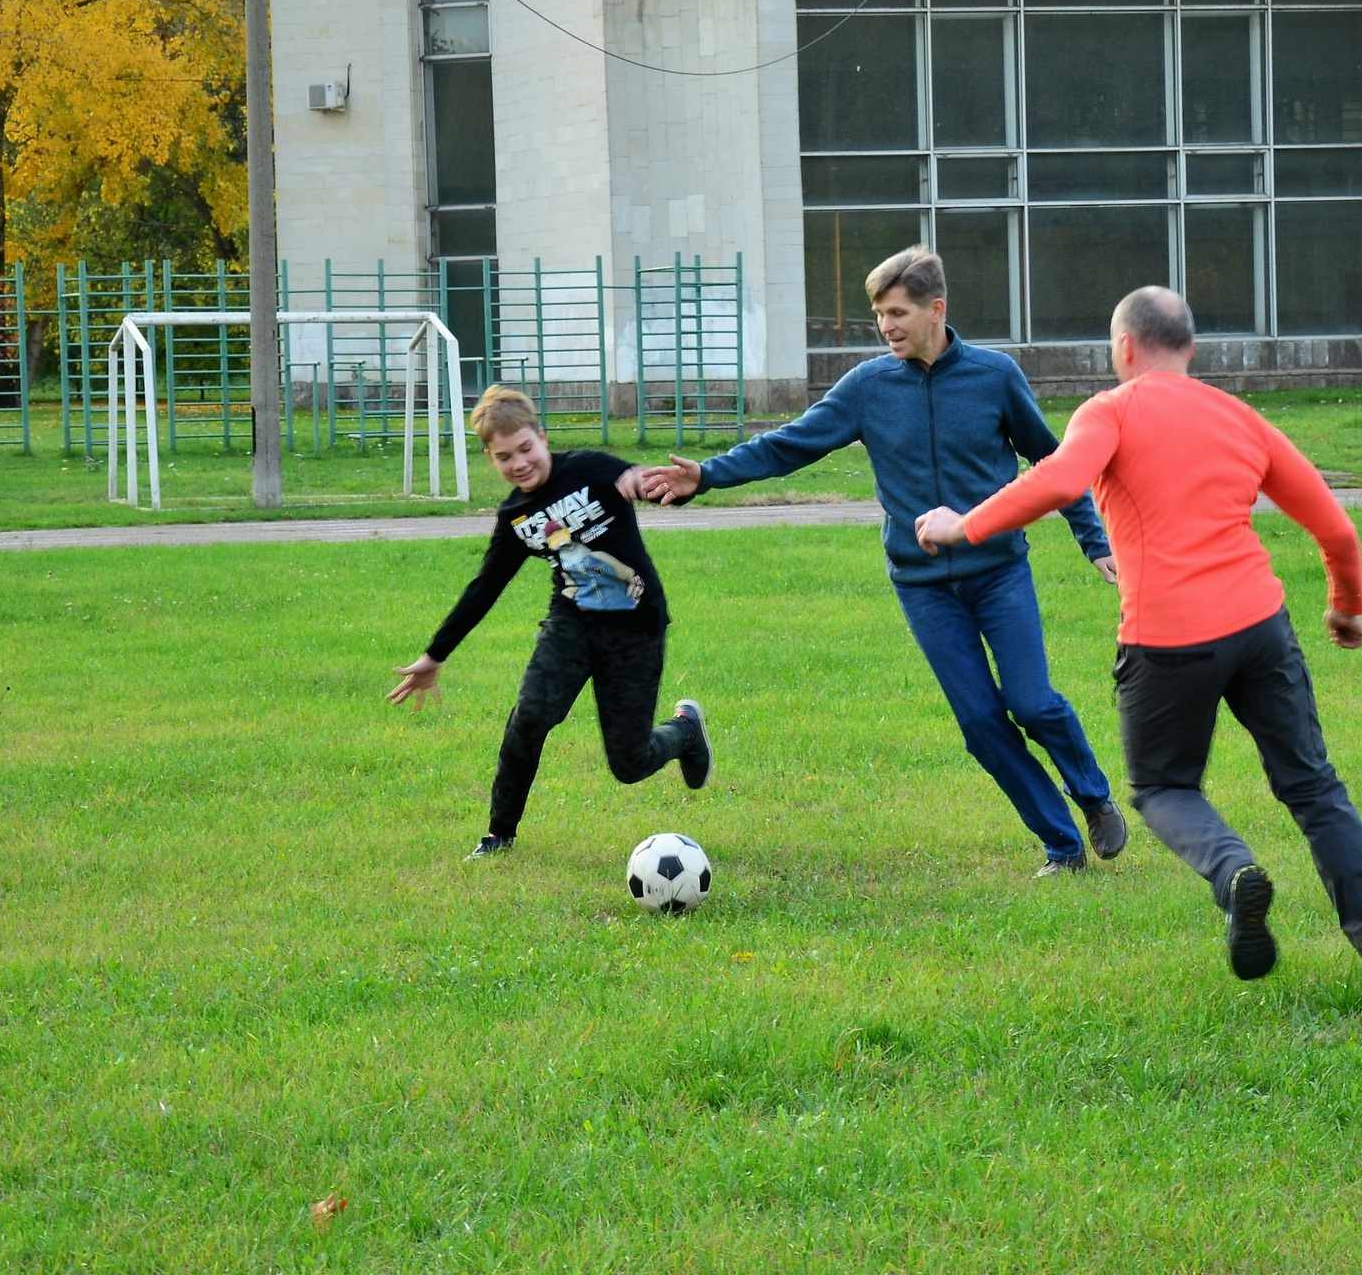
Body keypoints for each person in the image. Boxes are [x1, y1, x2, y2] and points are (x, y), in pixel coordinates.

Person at [915, 286, 1362, 985]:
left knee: (1162, 787)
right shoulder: (1240, 417)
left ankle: (1234, 870)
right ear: (1189, 348)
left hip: (1167, 639)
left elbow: (1061, 480)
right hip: (1260, 627)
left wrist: (962, 524)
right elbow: (1336, 528)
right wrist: (1346, 606)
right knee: (1314, 789)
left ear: (1124, 348)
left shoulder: (1111, 411)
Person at [636, 247, 1127, 876]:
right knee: (980, 723)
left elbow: (1054, 463)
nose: (885, 326)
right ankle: (1062, 847)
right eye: (878, 315)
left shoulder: (995, 375)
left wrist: (1094, 540)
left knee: (1032, 704)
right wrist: (707, 475)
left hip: (999, 572)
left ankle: (1093, 796)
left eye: (897, 312)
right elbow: (790, 444)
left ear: (936, 310)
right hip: (922, 587)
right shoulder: (868, 386)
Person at [388, 385, 713, 858]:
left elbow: (652, 486)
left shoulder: (587, 467)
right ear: (491, 459)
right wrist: (434, 656)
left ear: (542, 437)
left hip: (635, 625)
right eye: (504, 457)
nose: (519, 463)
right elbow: (484, 588)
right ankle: (500, 832)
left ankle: (684, 729)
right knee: (532, 714)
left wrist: (642, 480)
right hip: (571, 623)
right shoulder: (516, 516)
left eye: (526, 448)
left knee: (630, 763)